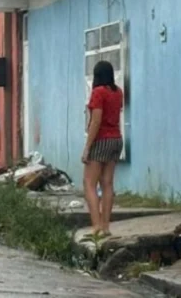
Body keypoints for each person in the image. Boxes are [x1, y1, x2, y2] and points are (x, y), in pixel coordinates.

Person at [81, 60, 124, 237]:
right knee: (107, 184)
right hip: (116, 140)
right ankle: (106, 227)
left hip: (101, 140)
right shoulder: (118, 92)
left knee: (89, 184)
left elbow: (96, 121)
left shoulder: (98, 93)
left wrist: (87, 147)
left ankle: (97, 226)